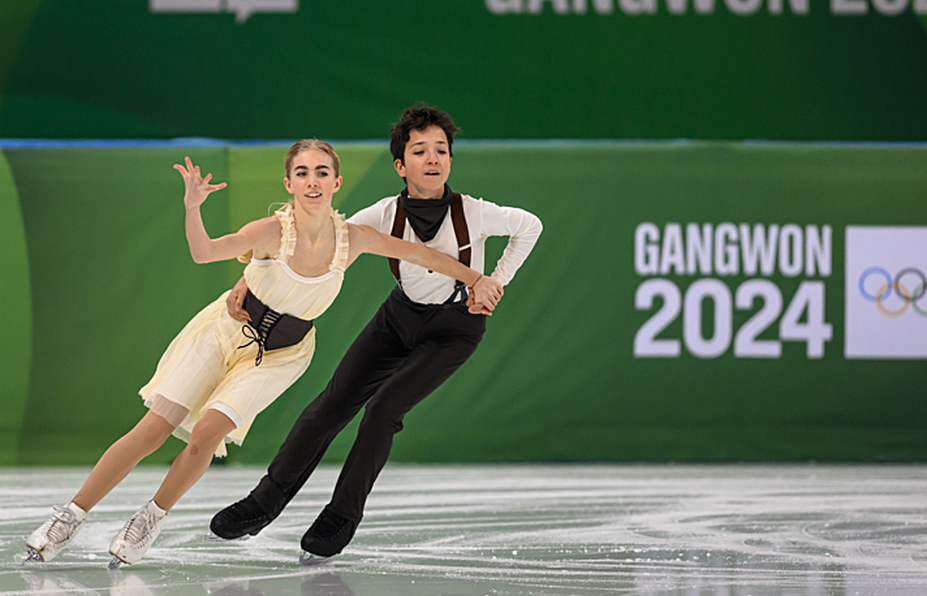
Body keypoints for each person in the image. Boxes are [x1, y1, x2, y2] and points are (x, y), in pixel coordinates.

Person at [24, 139, 501, 567]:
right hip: (224, 331)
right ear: (288, 182)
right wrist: (193, 208)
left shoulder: (354, 238)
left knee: (206, 433)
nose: (311, 182)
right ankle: (70, 516)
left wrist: (477, 279)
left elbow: (423, 256)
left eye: (320, 173)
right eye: (301, 173)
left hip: (282, 355)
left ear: (336, 181)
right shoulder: (270, 231)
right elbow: (204, 252)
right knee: (154, 427)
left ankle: (149, 517)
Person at [209, 104, 543, 563]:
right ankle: (265, 501)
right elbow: (314, 242)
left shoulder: (477, 212)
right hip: (398, 318)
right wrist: (249, 279)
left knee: (384, 408)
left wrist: (494, 282)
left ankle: (341, 515)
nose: (433, 159)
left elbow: (530, 226)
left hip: (454, 330)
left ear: (450, 160)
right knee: (330, 405)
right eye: (420, 150)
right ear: (400, 166)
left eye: (441, 150)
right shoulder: (382, 214)